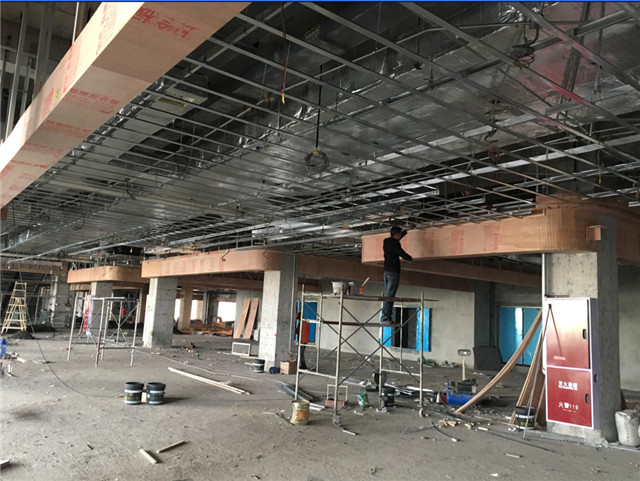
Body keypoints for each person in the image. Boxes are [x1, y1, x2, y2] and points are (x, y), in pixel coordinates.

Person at [381, 226, 413, 324]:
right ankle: (385, 318)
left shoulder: (386, 241)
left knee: (388, 295)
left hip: (386, 272)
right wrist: (409, 258)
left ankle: (386, 317)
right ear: (397, 235)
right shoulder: (395, 244)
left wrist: (404, 232)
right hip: (393, 272)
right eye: (399, 235)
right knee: (390, 296)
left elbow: (395, 240)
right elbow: (401, 253)